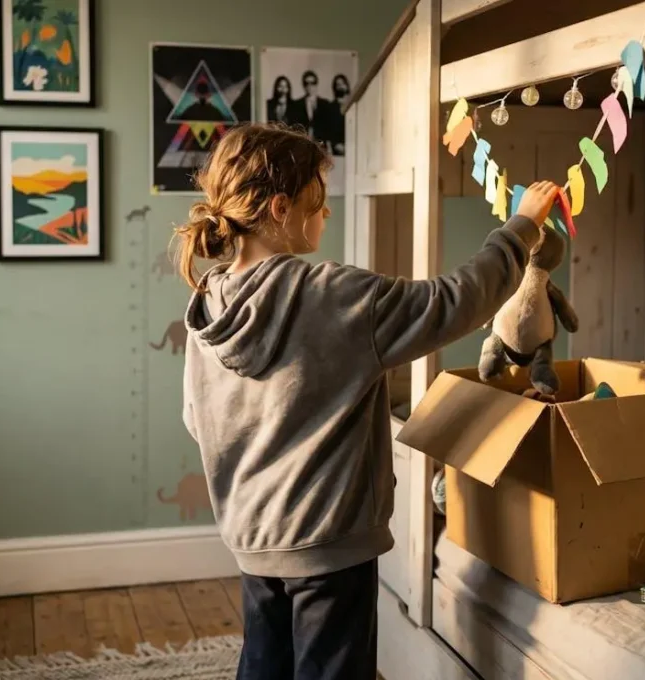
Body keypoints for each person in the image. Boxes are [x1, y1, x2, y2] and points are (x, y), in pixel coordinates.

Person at [174, 123, 558, 680]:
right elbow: (454, 301)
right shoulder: (336, 294)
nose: (327, 212)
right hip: (330, 543)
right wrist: (522, 227)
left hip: (251, 537)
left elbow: (196, 419)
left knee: (264, 665)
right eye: (319, 199)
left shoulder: (208, 302)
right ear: (281, 208)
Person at [286, 70, 327, 137]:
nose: (309, 86)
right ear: (303, 85)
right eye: (306, 83)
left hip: (321, 140)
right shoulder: (297, 105)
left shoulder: (325, 104)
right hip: (303, 139)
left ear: (316, 84)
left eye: (312, 83)